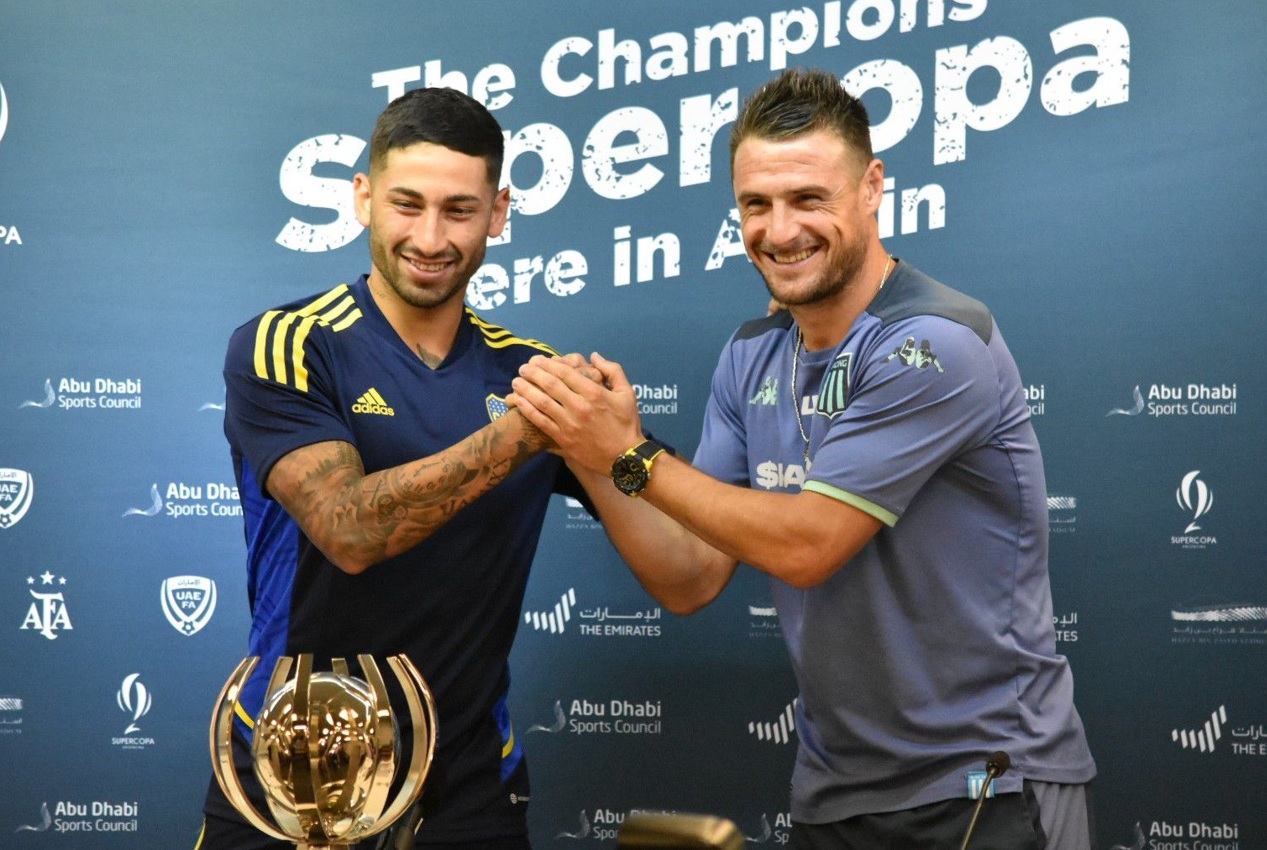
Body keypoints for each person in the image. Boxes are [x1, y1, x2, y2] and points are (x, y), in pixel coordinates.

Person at [511, 69, 1097, 849]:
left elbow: (806, 544)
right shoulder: (752, 352)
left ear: (871, 188)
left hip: (984, 781)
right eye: (756, 204)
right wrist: (587, 449)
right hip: (833, 791)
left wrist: (631, 453)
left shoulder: (934, 341)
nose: (779, 231)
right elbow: (689, 577)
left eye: (807, 199)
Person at [199, 86, 586, 850]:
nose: (430, 236)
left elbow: (686, 574)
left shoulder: (533, 374)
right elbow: (347, 529)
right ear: (363, 198)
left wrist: (631, 443)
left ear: (499, 213)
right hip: (290, 770)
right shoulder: (288, 342)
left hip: (469, 785)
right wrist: (524, 432)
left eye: (459, 210)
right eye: (407, 204)